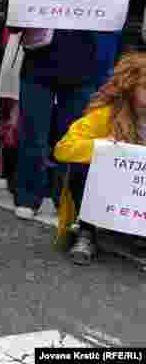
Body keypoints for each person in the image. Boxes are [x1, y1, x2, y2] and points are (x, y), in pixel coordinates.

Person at [5, 0, 139, 238]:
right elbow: (13, 25)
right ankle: (28, 196)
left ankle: (63, 196)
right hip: (39, 67)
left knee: (71, 137)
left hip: (81, 68)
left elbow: (114, 19)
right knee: (34, 134)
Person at [54, 52, 146, 264]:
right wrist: (102, 146)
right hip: (114, 192)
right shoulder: (106, 115)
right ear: (130, 86)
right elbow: (63, 149)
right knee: (83, 165)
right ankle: (86, 231)